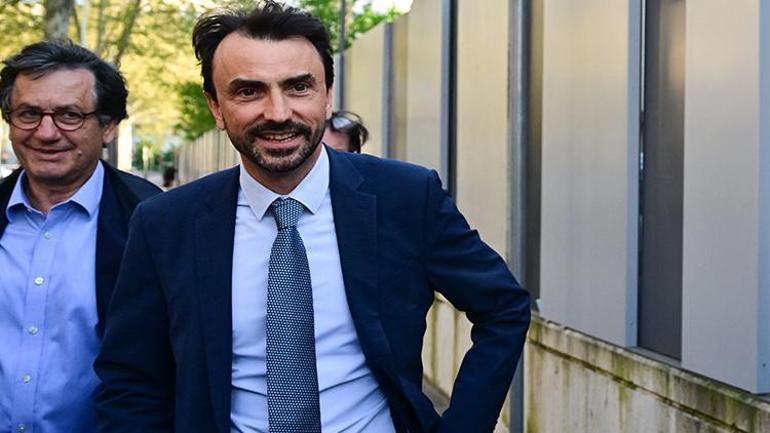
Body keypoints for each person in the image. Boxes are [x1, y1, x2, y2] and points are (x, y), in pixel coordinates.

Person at [95, 2, 530, 433]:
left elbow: (503, 308)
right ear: (216, 106)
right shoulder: (165, 224)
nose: (278, 112)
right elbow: (132, 378)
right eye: (249, 91)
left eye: (299, 87)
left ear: (327, 95)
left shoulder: (406, 197)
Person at [0, 40, 161, 433]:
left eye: (69, 115)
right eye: (28, 114)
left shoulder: (154, 220)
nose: (46, 132)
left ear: (108, 126)